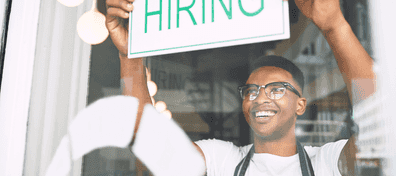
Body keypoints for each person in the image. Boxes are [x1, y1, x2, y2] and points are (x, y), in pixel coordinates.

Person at [105, 0, 375, 175]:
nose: (260, 99)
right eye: (251, 91)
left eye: (277, 89)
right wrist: (131, 58)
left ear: (300, 105)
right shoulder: (222, 160)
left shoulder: (324, 164)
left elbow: (378, 130)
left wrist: (334, 27)